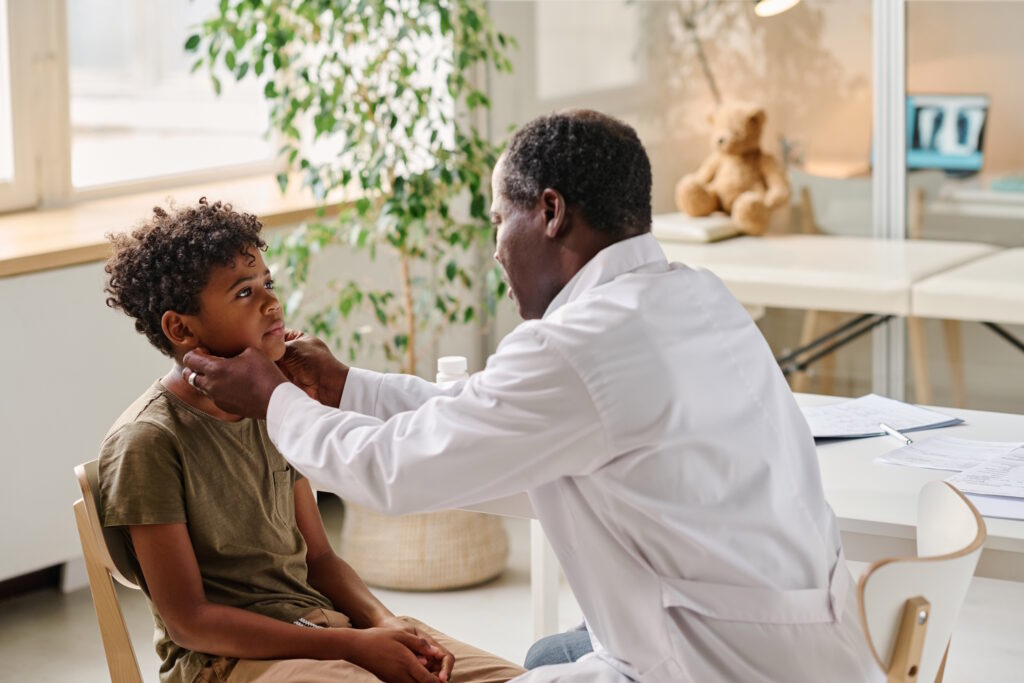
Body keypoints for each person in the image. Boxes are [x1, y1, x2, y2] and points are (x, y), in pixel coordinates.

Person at [183, 111, 883, 683]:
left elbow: (394, 470)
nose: (494, 250)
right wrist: (344, 387)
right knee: (549, 655)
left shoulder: (579, 346)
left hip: (713, 664)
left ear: (550, 212)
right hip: (805, 647)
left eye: (497, 221)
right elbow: (487, 418)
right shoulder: (694, 295)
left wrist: (273, 397)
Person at [99, 198, 525, 683]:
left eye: (268, 284)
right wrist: (353, 645)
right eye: (243, 293)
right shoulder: (147, 442)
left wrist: (388, 626)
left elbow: (320, 559)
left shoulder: (275, 404)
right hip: (230, 662)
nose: (272, 303)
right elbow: (189, 622)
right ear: (180, 327)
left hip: (327, 629)